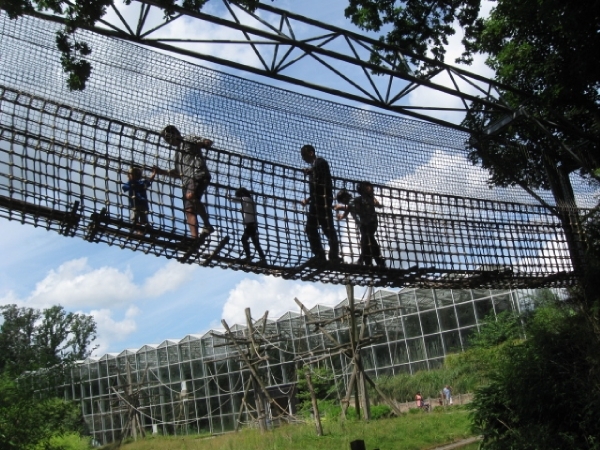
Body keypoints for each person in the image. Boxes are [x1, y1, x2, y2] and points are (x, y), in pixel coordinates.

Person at [154, 125, 215, 239]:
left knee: (190, 196)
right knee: (189, 209)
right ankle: (194, 238)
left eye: (169, 138)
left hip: (198, 174)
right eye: (167, 140)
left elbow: (204, 141)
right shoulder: (176, 155)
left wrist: (206, 143)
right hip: (186, 182)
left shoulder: (188, 139)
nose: (169, 141)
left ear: (176, 133)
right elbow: (178, 173)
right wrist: (162, 172)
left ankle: (207, 225)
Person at [300, 144, 339, 263]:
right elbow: (318, 186)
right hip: (319, 200)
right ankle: (323, 255)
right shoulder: (315, 167)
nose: (303, 158)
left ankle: (328, 255)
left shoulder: (320, 162)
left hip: (322, 201)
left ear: (311, 153)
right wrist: (309, 199)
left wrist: (311, 171)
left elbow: (321, 181)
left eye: (304, 155)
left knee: (324, 228)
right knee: (319, 228)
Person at [334, 181, 385, 267]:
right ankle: (373, 261)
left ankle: (365, 260)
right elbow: (347, 211)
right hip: (365, 225)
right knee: (368, 241)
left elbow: (351, 206)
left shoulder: (355, 200)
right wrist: (342, 216)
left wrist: (341, 207)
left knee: (366, 241)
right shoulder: (353, 202)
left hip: (368, 223)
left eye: (342, 201)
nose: (343, 202)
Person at [227, 187, 266, 264]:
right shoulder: (250, 201)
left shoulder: (245, 199)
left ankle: (248, 257)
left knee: (244, 239)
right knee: (255, 243)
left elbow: (231, 199)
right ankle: (263, 259)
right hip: (253, 225)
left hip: (250, 225)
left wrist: (227, 192)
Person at [122, 166, 156, 234]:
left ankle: (139, 231)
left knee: (136, 220)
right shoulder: (141, 183)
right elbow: (150, 180)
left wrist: (132, 185)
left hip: (136, 204)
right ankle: (148, 232)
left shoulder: (131, 183)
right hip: (143, 204)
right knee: (144, 220)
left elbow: (124, 188)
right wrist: (154, 173)